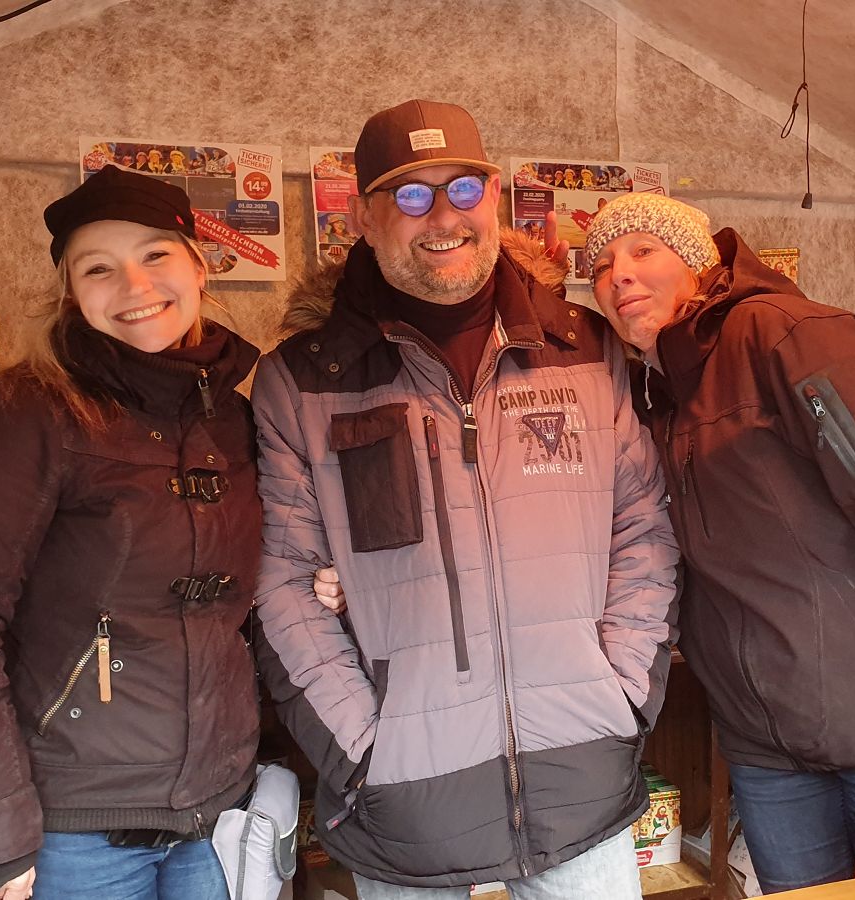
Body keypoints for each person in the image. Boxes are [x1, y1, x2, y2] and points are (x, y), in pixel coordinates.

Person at [251, 99, 679, 899]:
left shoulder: (585, 350)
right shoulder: (304, 381)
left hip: (580, 784)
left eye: (463, 188)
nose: (443, 216)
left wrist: (618, 700)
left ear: (494, 198)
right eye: (412, 195)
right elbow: (284, 586)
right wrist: (367, 751)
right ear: (364, 217)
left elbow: (643, 533)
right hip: (405, 800)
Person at [582, 193, 855, 892]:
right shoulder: (658, 392)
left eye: (642, 250)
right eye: (600, 266)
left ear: (697, 264)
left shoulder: (785, 337)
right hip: (768, 749)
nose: (618, 273)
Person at [0, 166, 262, 900]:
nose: (134, 284)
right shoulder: (27, 414)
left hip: (217, 815)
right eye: (98, 268)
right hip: (72, 832)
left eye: (155, 254)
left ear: (199, 265)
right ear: (70, 291)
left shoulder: (234, 416)